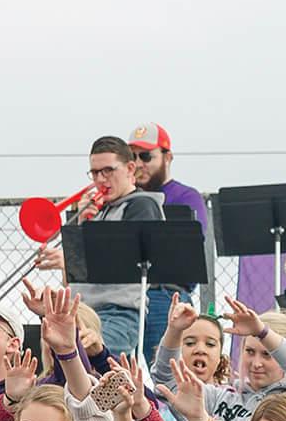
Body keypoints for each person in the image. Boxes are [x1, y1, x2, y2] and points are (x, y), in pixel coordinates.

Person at [41, 136, 162, 359]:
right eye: (95, 172)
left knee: (89, 365)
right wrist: (82, 227)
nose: (100, 179)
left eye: (108, 170)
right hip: (83, 311)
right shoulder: (97, 212)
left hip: (118, 313)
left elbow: (125, 262)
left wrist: (73, 257)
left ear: (130, 168)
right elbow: (76, 281)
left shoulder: (141, 205)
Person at [126, 123, 208, 361]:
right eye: (132, 157)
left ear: (168, 157)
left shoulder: (186, 197)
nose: (138, 163)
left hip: (165, 294)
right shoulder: (124, 198)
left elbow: (189, 247)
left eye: (146, 156)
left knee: (167, 371)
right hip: (126, 296)